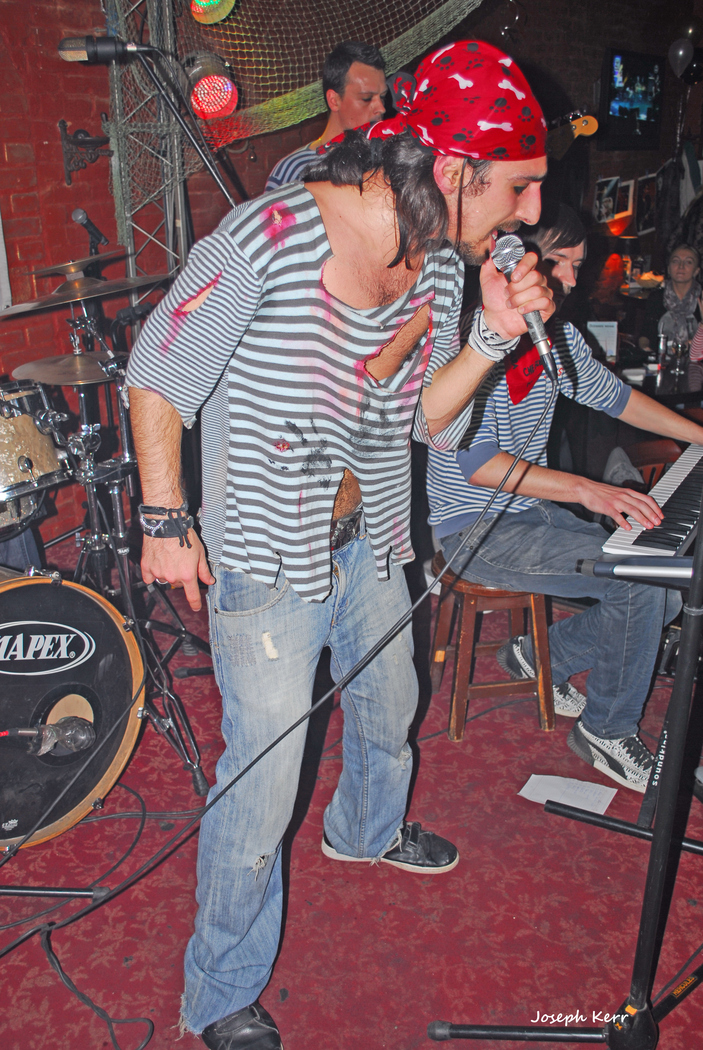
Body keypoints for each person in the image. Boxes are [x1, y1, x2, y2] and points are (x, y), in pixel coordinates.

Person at [126, 40, 553, 1050]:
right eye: (520, 187)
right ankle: (218, 993)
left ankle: (364, 830)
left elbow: (429, 421)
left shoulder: (437, 263)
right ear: (454, 171)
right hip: (270, 562)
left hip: (373, 539)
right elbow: (156, 370)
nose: (531, 213)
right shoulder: (269, 236)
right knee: (260, 785)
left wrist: (492, 336)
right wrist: (163, 519)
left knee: (390, 705)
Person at [427, 203, 703, 795]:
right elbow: (479, 466)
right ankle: (606, 730)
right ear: (519, 264)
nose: (574, 280)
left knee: (662, 590)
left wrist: (700, 436)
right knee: (640, 582)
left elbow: (618, 398)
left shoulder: (559, 338)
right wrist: (586, 489)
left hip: (533, 513)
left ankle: (537, 654)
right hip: (474, 530)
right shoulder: (474, 347)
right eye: (565, 264)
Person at [265, 40, 387, 191]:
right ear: (334, 101)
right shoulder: (293, 170)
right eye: (366, 98)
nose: (381, 108)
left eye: (382, 97)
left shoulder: (388, 159)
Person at [640, 243, 701, 350]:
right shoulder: (656, 298)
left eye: (688, 262)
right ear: (669, 269)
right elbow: (645, 335)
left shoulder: (701, 299)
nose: (681, 266)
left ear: (696, 271)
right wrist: (645, 348)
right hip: (660, 357)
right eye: (675, 261)